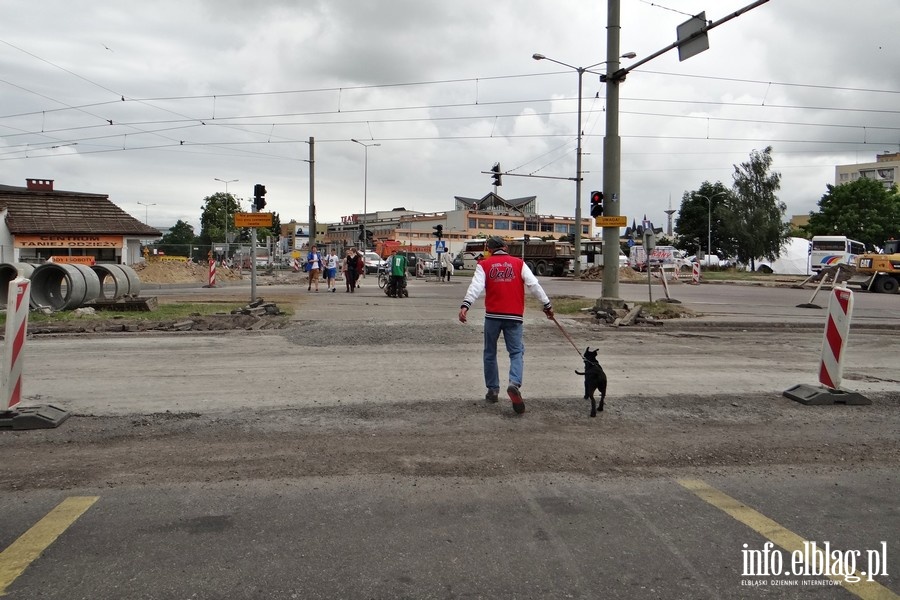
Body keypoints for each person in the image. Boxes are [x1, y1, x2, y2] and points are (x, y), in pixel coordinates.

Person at [458, 236, 553, 415]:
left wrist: (466, 305)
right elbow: (534, 285)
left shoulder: (484, 265)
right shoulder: (519, 264)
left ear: (490, 249)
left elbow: (475, 287)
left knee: (489, 352)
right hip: (514, 316)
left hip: (493, 316)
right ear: (505, 247)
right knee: (516, 352)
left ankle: (493, 390)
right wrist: (546, 305)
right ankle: (514, 383)